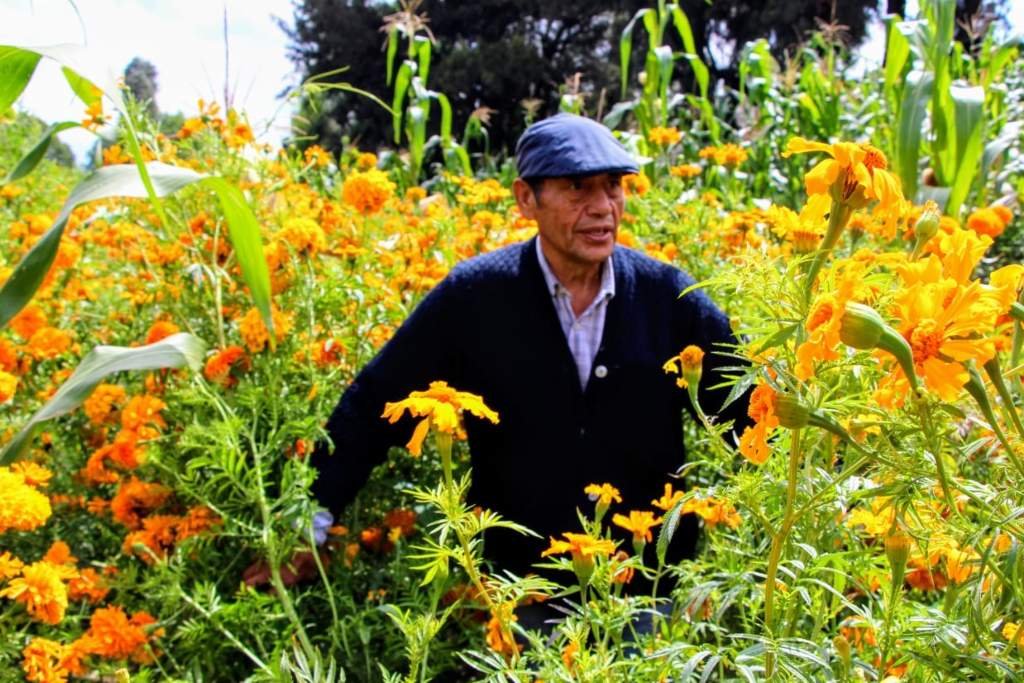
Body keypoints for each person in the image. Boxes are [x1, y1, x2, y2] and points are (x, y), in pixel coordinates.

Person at [294, 113, 750, 584]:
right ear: (525, 199)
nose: (602, 207)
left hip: (649, 588)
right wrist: (307, 523)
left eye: (613, 185)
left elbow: (749, 410)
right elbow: (373, 406)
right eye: (577, 187)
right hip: (519, 594)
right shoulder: (474, 297)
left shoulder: (669, 298)